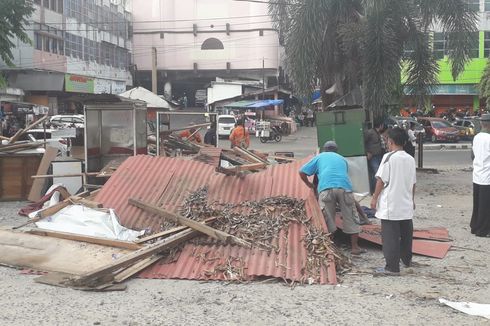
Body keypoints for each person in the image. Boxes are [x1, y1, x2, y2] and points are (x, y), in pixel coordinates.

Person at [299, 141, 365, 255]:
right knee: (351, 216)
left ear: (324, 149)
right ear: (336, 150)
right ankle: (355, 247)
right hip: (344, 188)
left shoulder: (319, 157)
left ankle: (330, 247)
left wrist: (309, 184)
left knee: (327, 217)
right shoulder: (342, 159)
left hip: (326, 188)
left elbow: (302, 171)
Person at [370, 128, 416, 275]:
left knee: (390, 237)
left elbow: (381, 180)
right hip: (406, 202)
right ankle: (406, 260)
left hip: (391, 203)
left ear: (390, 141)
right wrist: (412, 199)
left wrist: (374, 198)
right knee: (406, 234)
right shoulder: (410, 158)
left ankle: (392, 267)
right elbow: (413, 183)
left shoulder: (388, 157)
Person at [470, 114, 490, 237]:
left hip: (477, 175)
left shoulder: (476, 137)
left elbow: (472, 155)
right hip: (487, 176)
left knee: (477, 204)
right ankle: (483, 230)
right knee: (486, 206)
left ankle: (475, 226)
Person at [364, 121, 387, 194]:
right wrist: (367, 152)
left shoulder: (377, 133)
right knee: (376, 173)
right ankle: (374, 190)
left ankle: (375, 189)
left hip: (378, 155)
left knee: (377, 172)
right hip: (373, 155)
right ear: (380, 125)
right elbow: (364, 142)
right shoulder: (370, 132)